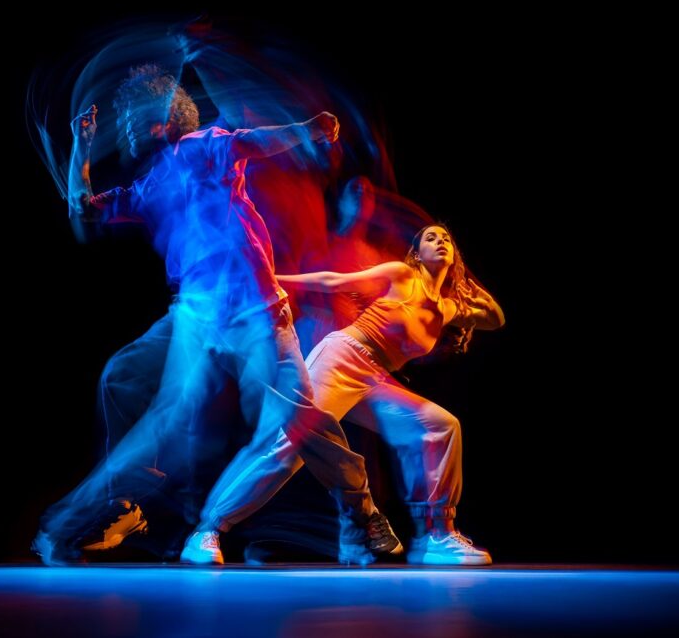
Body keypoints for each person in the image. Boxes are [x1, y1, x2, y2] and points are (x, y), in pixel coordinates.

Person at [32, 64, 402, 566]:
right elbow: (84, 207)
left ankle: (359, 518)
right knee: (140, 394)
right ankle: (106, 511)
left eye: (136, 116)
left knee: (299, 420)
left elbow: (253, 142)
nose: (128, 129)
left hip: (258, 315)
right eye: (123, 122)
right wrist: (81, 145)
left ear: (163, 115)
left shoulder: (206, 145)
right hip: (197, 318)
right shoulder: (149, 184)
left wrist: (305, 130)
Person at [186, 223, 504, 565]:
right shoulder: (401, 275)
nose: (440, 241)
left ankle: (436, 535)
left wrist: (468, 288)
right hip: (343, 356)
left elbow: (495, 319)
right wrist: (270, 283)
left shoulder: (447, 309)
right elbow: (333, 281)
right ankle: (209, 529)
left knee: (440, 425)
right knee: (289, 445)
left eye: (447, 239)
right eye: (431, 237)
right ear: (416, 253)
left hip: (376, 378)